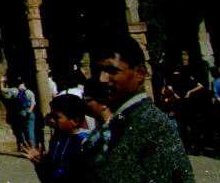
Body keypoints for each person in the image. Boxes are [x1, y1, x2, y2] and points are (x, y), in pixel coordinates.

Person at [80, 35, 194, 183]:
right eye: (98, 71)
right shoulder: (123, 120)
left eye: (112, 71)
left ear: (140, 73)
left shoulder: (151, 124)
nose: (102, 79)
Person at [23, 94, 88, 182]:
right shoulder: (56, 140)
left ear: (75, 121)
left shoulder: (84, 142)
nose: (51, 120)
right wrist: (39, 164)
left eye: (56, 117)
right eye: (51, 116)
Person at [0, 75, 37, 151]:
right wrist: (29, 112)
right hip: (30, 112)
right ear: (24, 82)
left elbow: (2, 90)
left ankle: (24, 146)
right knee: (31, 130)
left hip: (21, 112)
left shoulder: (14, 91)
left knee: (21, 130)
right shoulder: (30, 92)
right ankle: (33, 147)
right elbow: (33, 103)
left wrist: (2, 82)